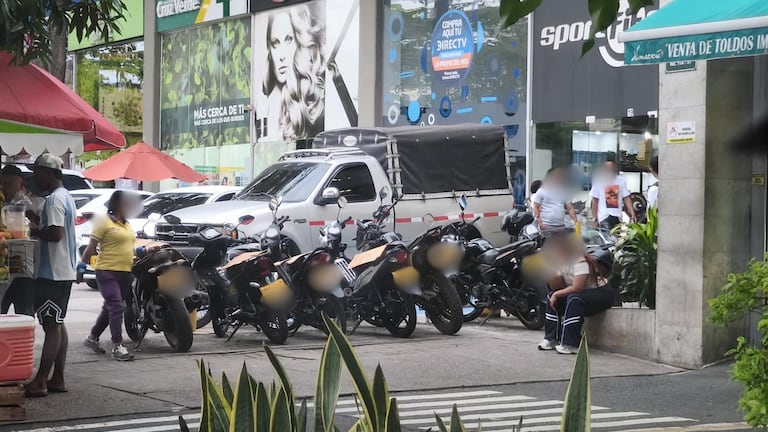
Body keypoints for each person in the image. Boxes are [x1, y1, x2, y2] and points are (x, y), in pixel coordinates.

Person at [25, 154, 77, 397]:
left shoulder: (55, 200)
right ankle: (58, 378)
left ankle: (41, 381)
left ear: (48, 173)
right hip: (62, 271)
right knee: (57, 323)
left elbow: (55, 234)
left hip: (51, 272)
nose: (35, 178)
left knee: (51, 326)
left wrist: (35, 230)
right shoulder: (64, 196)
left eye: (37, 173)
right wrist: (36, 220)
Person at [80, 191, 148, 361]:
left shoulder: (126, 224)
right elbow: (91, 246)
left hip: (125, 272)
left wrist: (143, 251)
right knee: (117, 306)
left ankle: (92, 337)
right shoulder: (104, 221)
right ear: (118, 204)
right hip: (106, 271)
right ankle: (118, 345)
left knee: (110, 307)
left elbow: (127, 248)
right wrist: (81, 266)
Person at [537, 234, 616, 354]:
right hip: (581, 293)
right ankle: (551, 338)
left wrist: (556, 295)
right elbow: (557, 287)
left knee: (574, 298)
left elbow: (577, 287)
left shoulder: (580, 261)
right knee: (552, 295)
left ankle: (570, 343)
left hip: (602, 293)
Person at [261, 5, 326, 141]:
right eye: (275, 43)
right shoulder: (270, 101)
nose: (281, 56)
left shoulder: (315, 100)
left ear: (299, 41)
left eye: (288, 39)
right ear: (269, 48)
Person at [0, 165, 38, 315]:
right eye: (1, 184)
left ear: (21, 185)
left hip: (23, 268)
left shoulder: (32, 204)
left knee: (25, 313)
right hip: (3, 269)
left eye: (9, 184)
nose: (4, 188)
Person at [590, 161, 636, 232]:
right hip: (603, 217)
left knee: (617, 239)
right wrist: (595, 218)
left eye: (612, 169)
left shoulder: (621, 181)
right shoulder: (598, 181)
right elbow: (594, 201)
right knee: (607, 239)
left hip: (617, 217)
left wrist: (632, 213)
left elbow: (626, 198)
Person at [532, 168, 578, 235]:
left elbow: (570, 208)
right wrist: (540, 222)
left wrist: (576, 222)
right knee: (548, 244)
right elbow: (535, 207)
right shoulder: (542, 190)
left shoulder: (563, 191)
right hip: (547, 226)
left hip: (560, 226)